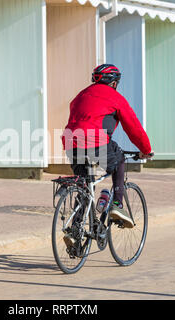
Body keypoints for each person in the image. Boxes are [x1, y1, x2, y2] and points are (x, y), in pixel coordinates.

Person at [62, 64, 153, 230]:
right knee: (118, 160)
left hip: (71, 143)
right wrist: (146, 150)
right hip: (95, 141)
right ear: (114, 83)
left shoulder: (81, 95)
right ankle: (117, 205)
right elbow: (133, 128)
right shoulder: (115, 97)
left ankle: (75, 229)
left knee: (85, 184)